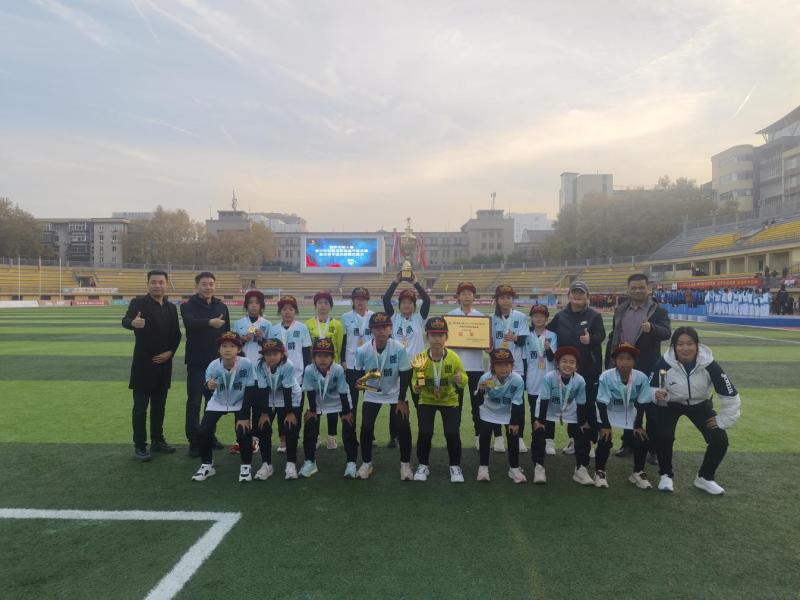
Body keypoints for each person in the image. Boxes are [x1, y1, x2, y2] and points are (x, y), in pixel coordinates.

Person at [650, 326, 741, 495]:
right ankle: (666, 475)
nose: (685, 348)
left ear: (697, 345)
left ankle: (705, 477)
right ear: (674, 346)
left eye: (690, 343)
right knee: (664, 436)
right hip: (670, 404)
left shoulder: (709, 364)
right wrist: (656, 394)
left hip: (700, 404)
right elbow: (652, 387)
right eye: (680, 344)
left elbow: (730, 394)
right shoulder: (664, 363)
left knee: (719, 439)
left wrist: (724, 419)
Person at [605, 273, 670, 459]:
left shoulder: (658, 311)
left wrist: (652, 329)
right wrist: (610, 361)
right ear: (628, 290)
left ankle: (653, 448)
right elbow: (614, 335)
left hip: (649, 365)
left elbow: (667, 332)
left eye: (641, 287)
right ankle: (628, 443)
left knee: (652, 408)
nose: (637, 290)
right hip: (625, 365)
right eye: (633, 288)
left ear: (648, 289)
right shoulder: (621, 310)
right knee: (629, 405)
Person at [122, 269, 182, 461]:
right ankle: (140, 445)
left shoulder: (171, 307)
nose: (157, 285)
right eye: (154, 282)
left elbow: (176, 335)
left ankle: (157, 440)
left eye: (161, 282)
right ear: (147, 284)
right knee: (140, 408)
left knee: (159, 406)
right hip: (143, 364)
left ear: (166, 284)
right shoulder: (138, 303)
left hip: (164, 365)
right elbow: (125, 320)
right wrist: (133, 323)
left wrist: (170, 352)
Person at [546, 281, 605, 456]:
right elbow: (547, 332)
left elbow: (601, 335)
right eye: (574, 292)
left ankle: (590, 441)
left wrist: (591, 339)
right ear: (569, 295)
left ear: (587, 296)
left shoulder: (594, 315)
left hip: (588, 369)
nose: (577, 296)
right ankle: (574, 439)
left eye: (581, 293)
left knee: (588, 405)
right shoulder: (561, 316)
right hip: (566, 370)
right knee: (570, 405)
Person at [354, 312, 413, 480]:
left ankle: (405, 464)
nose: (381, 331)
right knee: (366, 427)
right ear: (371, 330)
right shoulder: (362, 350)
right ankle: (367, 463)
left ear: (390, 329)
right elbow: (357, 375)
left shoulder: (399, 348)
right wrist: (361, 385)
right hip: (373, 393)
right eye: (377, 328)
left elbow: (405, 373)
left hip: (395, 392)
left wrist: (401, 400)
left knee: (403, 426)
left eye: (384, 327)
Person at [191, 332, 256, 482]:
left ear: (239, 349)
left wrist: (244, 416)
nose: (228, 349)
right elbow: (206, 386)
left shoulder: (246, 364)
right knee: (203, 432)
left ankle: (246, 466)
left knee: (243, 431)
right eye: (224, 346)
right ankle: (207, 465)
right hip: (218, 401)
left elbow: (251, 389)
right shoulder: (214, 365)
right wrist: (208, 385)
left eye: (232, 346)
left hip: (239, 400)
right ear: (218, 349)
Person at [180, 271, 230, 457]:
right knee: (194, 402)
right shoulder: (188, 305)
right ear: (197, 286)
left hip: (216, 362)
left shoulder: (221, 306)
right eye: (204, 284)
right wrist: (210, 322)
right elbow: (189, 323)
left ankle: (208, 435)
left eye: (211, 284)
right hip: (196, 362)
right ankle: (194, 441)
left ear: (215, 286)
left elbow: (227, 333)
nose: (208, 287)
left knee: (213, 401)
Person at [412, 317, 467, 483]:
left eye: (440, 335)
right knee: (425, 432)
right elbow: (415, 382)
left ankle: (455, 466)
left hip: (449, 400)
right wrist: (417, 386)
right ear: (427, 337)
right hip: (427, 400)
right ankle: (423, 465)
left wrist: (460, 379)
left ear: (446, 337)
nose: (437, 339)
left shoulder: (454, 358)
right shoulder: (420, 358)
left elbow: (464, 379)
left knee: (452, 433)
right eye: (433, 335)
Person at [595, 343, 654, 489]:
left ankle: (638, 472)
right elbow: (601, 402)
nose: (625, 362)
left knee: (642, 438)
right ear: (615, 361)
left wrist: (638, 425)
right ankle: (599, 472)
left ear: (634, 361)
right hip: (608, 411)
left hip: (630, 412)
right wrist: (605, 425)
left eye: (629, 359)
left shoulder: (641, 377)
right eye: (621, 358)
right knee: (605, 438)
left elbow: (643, 402)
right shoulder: (606, 376)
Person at [531, 347, 592, 485]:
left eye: (572, 362)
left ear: (576, 366)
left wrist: (582, 423)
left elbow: (581, 404)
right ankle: (538, 466)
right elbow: (544, 400)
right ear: (557, 364)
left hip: (569, 409)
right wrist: (541, 421)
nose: (568, 365)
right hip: (547, 408)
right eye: (564, 361)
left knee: (583, 433)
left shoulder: (580, 381)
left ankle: (581, 469)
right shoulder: (549, 377)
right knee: (539, 432)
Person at [382, 273, 430, 447]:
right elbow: (386, 299)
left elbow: (427, 299)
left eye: (410, 302)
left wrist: (415, 282)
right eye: (403, 302)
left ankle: (424, 434)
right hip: (397, 366)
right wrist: (396, 281)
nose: (406, 305)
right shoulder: (393, 318)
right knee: (396, 401)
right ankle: (394, 436)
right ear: (399, 305)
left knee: (420, 401)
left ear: (414, 306)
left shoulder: (419, 318)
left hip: (419, 366)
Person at [300, 338, 358, 478]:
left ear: (332, 357)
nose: (323, 359)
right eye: (319, 355)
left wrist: (346, 413)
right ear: (314, 357)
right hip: (317, 401)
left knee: (349, 428)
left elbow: (343, 392)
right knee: (310, 426)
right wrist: (313, 411)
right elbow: (310, 392)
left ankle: (351, 463)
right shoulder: (309, 369)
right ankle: (310, 462)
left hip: (339, 401)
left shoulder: (338, 369)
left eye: (326, 356)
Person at [250, 338, 302, 480]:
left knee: (290, 427)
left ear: (282, 354)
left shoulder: (288, 365)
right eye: (268, 354)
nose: (271, 357)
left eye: (275, 353)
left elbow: (287, 389)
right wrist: (264, 413)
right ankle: (266, 464)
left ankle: (291, 463)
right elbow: (262, 389)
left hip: (290, 397)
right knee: (263, 427)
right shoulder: (259, 366)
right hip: (269, 396)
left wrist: (290, 412)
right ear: (263, 355)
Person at [267, 295, 312, 454]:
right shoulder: (273, 329)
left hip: (297, 376)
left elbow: (306, 352)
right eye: (284, 309)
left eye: (291, 309)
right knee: (281, 410)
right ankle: (283, 440)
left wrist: (306, 373)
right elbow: (268, 353)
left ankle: (294, 438)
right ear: (280, 311)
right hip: (277, 377)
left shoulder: (302, 328)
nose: (287, 312)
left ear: (295, 311)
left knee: (296, 409)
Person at [474, 349, 526, 483]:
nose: (503, 368)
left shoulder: (517, 380)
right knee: (485, 433)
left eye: (507, 364)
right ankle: (483, 467)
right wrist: (481, 391)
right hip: (488, 411)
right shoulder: (486, 378)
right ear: (493, 366)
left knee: (513, 435)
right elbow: (478, 401)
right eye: (499, 365)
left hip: (508, 412)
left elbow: (517, 402)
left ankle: (514, 468)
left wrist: (514, 422)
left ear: (512, 366)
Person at [447, 281, 489, 450]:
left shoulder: (480, 317)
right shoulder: (451, 316)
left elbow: (486, 344)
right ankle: (454, 436)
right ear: (458, 297)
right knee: (454, 405)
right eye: (463, 293)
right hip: (456, 368)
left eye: (469, 293)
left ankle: (479, 436)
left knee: (478, 404)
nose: (466, 296)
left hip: (476, 368)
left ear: (474, 297)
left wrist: (487, 346)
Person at [490, 284, 530, 454]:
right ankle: (498, 437)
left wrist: (515, 338)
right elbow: (489, 342)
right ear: (497, 300)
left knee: (517, 403)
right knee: (495, 401)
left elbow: (523, 341)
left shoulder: (520, 316)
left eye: (508, 297)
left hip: (516, 367)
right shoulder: (491, 318)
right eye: (502, 297)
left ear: (512, 299)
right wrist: (488, 348)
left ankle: (518, 436)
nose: (505, 301)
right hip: (496, 367)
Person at [305, 290, 345, 450]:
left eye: (326, 303)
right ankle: (315, 437)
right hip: (314, 369)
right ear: (315, 305)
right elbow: (306, 346)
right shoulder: (308, 324)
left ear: (330, 306)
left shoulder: (337, 324)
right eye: (320, 303)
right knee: (315, 403)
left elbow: (340, 345)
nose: (323, 305)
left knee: (333, 404)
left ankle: (332, 437)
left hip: (332, 370)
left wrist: (339, 363)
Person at [524, 304, 557, 456]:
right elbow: (524, 360)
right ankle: (537, 439)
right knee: (534, 412)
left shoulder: (552, 335)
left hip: (548, 378)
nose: (539, 318)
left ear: (546, 318)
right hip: (532, 379)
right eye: (536, 316)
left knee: (549, 412)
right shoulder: (527, 336)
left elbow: (552, 358)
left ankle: (549, 440)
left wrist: (548, 348)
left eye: (542, 316)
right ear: (531, 318)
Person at [341, 287, 374, 430]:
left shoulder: (373, 316)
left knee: (370, 402)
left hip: (369, 365)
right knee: (351, 401)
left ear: (367, 301)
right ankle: (351, 433)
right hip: (351, 365)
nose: (360, 302)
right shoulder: (345, 317)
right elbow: (342, 340)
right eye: (357, 299)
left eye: (363, 299)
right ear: (353, 301)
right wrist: (342, 360)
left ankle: (368, 433)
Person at [233, 290, 271, 366]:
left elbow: (271, 346)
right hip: (241, 362)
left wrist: (262, 339)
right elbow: (233, 345)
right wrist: (242, 340)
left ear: (261, 305)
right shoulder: (238, 323)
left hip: (261, 363)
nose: (254, 305)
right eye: (250, 302)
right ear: (246, 305)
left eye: (257, 303)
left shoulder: (267, 324)